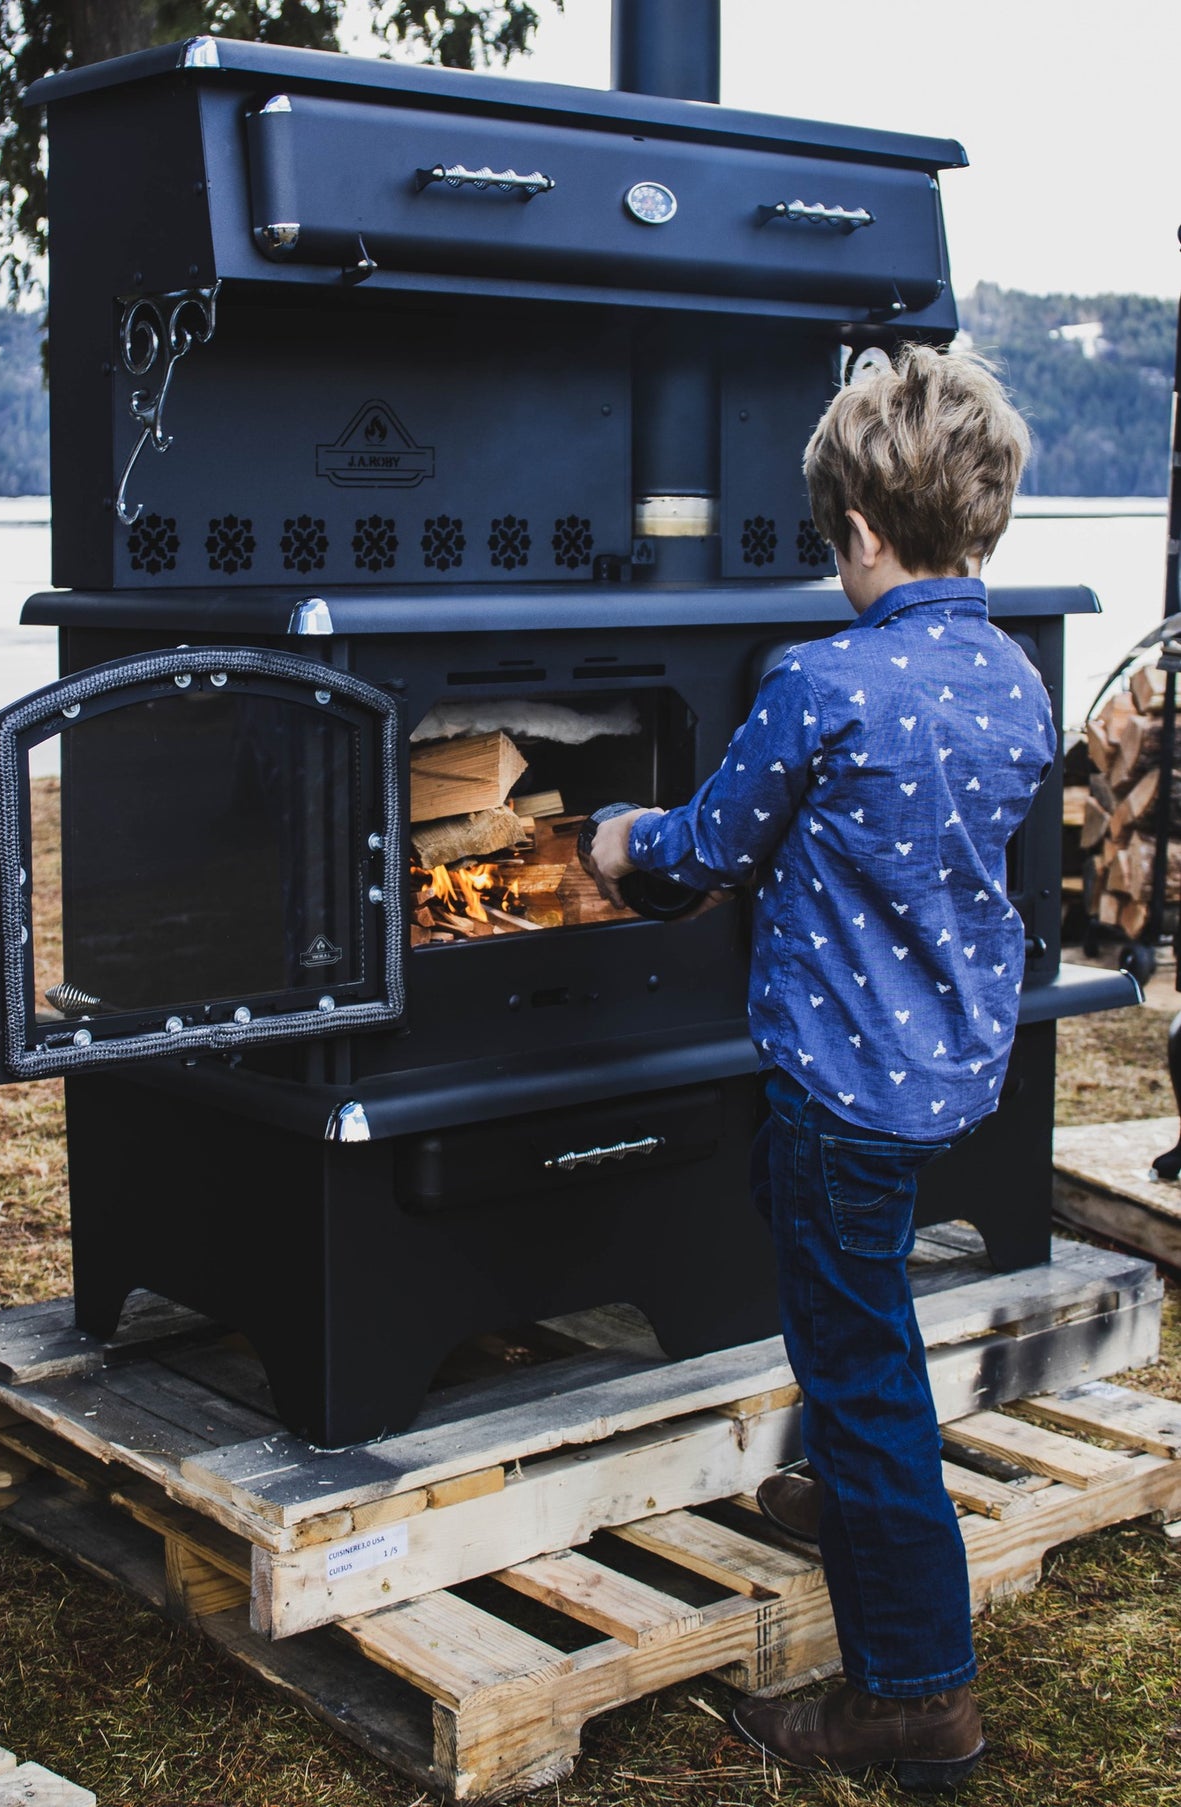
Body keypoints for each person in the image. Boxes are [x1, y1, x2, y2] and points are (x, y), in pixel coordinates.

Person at [582, 344, 1051, 1792]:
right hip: (946, 1078)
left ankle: (914, 1695)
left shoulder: (820, 682)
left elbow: (701, 851)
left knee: (863, 1368)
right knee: (833, 1273)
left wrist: (613, 839)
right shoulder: (1014, 681)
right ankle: (848, 1489)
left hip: (843, 1095)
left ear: (853, 532)